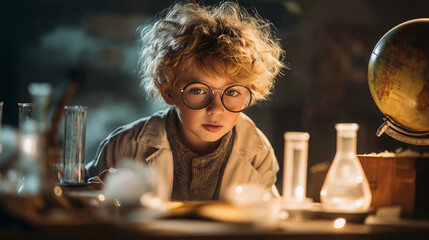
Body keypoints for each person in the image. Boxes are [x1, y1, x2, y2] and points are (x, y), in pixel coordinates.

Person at [85, 1, 285, 201]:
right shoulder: (122, 148)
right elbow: (85, 204)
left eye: (232, 92)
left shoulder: (258, 153)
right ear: (168, 92)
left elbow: (265, 221)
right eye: (198, 90)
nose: (215, 109)